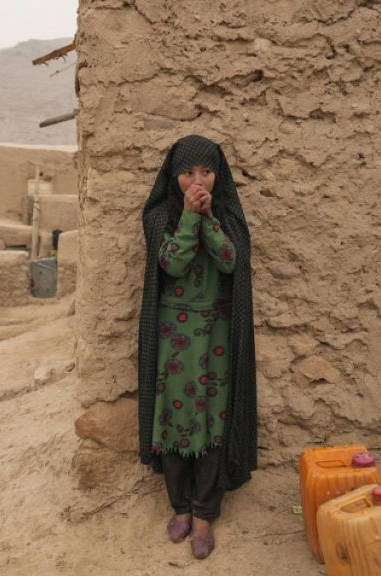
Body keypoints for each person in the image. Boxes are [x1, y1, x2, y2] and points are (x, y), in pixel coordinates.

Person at [138, 134, 257, 560]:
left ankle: (205, 514)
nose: (197, 180)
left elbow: (230, 261)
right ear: (174, 178)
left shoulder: (226, 214)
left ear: (218, 174)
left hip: (216, 336)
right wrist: (188, 219)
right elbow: (171, 263)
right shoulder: (160, 217)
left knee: (211, 421)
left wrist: (207, 220)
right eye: (187, 173)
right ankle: (181, 507)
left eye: (206, 171)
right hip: (173, 336)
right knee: (173, 421)